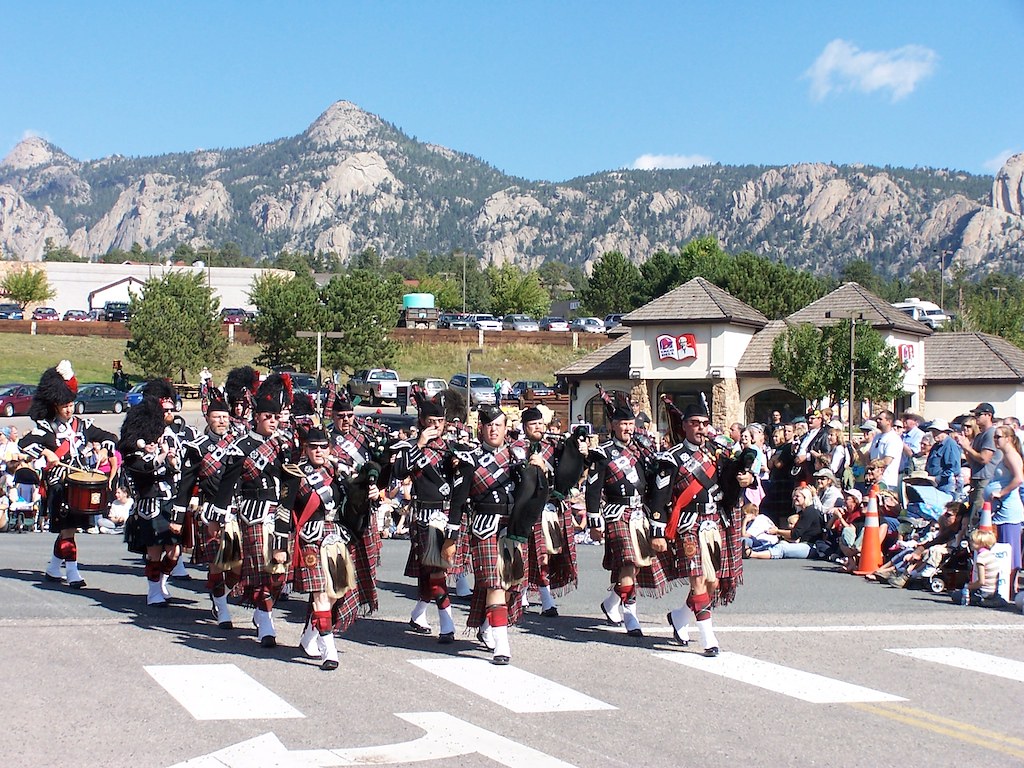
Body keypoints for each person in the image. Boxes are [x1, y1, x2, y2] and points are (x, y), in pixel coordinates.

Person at [649, 401, 751, 656]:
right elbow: (659, 497)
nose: (701, 428)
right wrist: (657, 531)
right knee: (697, 579)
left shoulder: (718, 452)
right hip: (689, 524)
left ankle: (680, 617)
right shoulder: (672, 457)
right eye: (695, 423)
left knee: (712, 582)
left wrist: (748, 479)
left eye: (704, 424)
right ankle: (709, 638)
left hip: (715, 522)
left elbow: (734, 478)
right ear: (684, 426)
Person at [450, 405, 547, 664]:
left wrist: (540, 470)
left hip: (513, 527)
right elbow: (458, 500)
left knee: (511, 585)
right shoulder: (469, 458)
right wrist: (451, 536)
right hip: (484, 525)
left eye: (498, 425)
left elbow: (537, 490)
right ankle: (502, 645)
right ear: (481, 428)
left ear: (506, 429)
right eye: (488, 425)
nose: (493, 429)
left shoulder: (520, 454)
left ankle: (487, 625)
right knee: (494, 583)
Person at [209, 374, 292, 647]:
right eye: (268, 417)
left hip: (279, 515)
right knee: (257, 572)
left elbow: (291, 485)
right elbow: (226, 486)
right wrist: (217, 518)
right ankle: (264, 619)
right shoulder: (241, 447)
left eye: (276, 417)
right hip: (251, 514)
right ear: (256, 417)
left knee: (280, 574)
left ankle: (261, 612)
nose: (273, 421)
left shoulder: (284, 446)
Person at [20, 360, 118, 588]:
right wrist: (46, 452)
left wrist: (104, 450)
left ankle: (54, 568)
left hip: (79, 484)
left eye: (71, 404)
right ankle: (73, 572)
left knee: (69, 530)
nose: (69, 409)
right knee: (68, 530)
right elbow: (24, 444)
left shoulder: (83, 426)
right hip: (59, 485)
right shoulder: (46, 428)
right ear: (55, 405)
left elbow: (110, 437)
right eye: (64, 405)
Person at [391, 390, 471, 642]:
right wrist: (420, 443)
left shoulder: (452, 449)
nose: (436, 426)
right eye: (431, 421)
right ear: (422, 421)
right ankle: (447, 624)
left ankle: (418, 614)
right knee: (436, 570)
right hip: (426, 515)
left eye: (440, 421)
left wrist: (459, 464)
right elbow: (399, 472)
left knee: (434, 571)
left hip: (449, 514)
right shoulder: (410, 447)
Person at [586, 396, 670, 637]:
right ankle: (631, 615)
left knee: (637, 565)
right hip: (617, 513)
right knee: (629, 562)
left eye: (630, 424)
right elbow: (593, 489)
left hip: (639, 513)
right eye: (622, 424)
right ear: (613, 425)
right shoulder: (602, 453)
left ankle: (612, 602)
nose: (627, 428)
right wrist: (594, 521)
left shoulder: (641, 451)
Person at [272, 428, 349, 670]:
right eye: (313, 447)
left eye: (323, 447)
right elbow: (283, 509)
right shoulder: (295, 473)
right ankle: (330, 652)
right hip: (310, 539)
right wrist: (279, 545)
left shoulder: (337, 472)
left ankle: (308, 639)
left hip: (334, 538)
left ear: (329, 449)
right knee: (320, 595)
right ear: (305, 449)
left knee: (334, 594)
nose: (318, 451)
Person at [173, 388, 237, 627]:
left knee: (238, 567)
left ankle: (221, 594)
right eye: (216, 417)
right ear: (208, 418)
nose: (221, 421)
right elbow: (186, 484)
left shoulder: (239, 444)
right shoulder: (197, 447)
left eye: (224, 417)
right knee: (217, 564)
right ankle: (222, 608)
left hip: (235, 511)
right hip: (210, 511)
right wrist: (178, 517)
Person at [324, 386, 385, 623]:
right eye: (341, 416)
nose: (346, 420)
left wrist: (377, 488)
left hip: (365, 509)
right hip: (340, 512)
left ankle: (356, 603)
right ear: (333, 416)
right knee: (340, 563)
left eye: (350, 415)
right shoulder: (326, 440)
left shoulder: (364, 438)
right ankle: (335, 610)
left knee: (364, 562)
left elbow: (378, 470)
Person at [521, 406, 588, 617]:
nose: (538, 427)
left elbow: (571, 470)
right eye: (533, 424)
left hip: (552, 506)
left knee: (546, 554)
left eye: (540, 423)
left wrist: (582, 453)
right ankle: (532, 595)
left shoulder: (555, 445)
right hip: (527, 507)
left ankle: (541, 596)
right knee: (527, 553)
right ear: (524, 427)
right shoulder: (517, 448)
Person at [119, 397, 182, 606]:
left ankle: (161, 582)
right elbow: (146, 469)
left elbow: (175, 473)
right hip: (149, 506)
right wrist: (162, 455)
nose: (152, 442)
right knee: (154, 552)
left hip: (169, 504)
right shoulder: (132, 456)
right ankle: (153, 591)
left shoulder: (163, 447)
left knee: (174, 552)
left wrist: (172, 461)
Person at [986, 426, 1023, 598]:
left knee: (1009, 551)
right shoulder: (1004, 455)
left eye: (998, 436)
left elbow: (1019, 478)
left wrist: (1001, 493)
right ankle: (1003, 588)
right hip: (1000, 510)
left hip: (1009, 511)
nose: (995, 440)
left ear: (1008, 438)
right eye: (994, 436)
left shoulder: (1011, 455)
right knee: (1001, 550)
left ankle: (1011, 589)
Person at [954, 403, 1001, 526]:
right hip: (976, 478)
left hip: (986, 479)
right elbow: (972, 462)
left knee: (978, 514)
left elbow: (984, 458)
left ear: (989, 415)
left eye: (979, 414)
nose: (976, 417)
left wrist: (967, 447)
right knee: (972, 512)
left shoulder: (991, 434)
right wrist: (964, 446)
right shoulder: (980, 435)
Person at [748, 486, 824, 560]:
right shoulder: (802, 512)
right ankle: (750, 549)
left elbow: (795, 534)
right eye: (794, 496)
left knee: (781, 548)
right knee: (780, 543)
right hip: (803, 544)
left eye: (797, 496)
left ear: (805, 497)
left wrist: (777, 531)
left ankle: (752, 554)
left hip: (811, 546)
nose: (794, 498)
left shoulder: (810, 512)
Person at [925, 419, 963, 496]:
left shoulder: (951, 445)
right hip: (935, 486)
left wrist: (937, 478)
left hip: (945, 487)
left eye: (937, 431)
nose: (934, 434)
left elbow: (954, 469)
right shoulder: (936, 446)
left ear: (945, 432)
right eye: (933, 431)